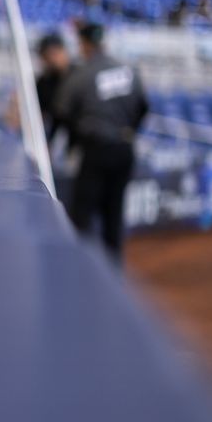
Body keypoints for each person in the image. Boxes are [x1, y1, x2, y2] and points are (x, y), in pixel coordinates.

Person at [55, 22, 149, 262]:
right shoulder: (127, 69)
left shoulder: (83, 74)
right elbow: (143, 107)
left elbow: (62, 111)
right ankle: (113, 274)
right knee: (113, 214)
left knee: (83, 215)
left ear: (84, 44)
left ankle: (83, 273)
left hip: (96, 149)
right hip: (124, 146)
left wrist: (73, 139)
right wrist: (130, 131)